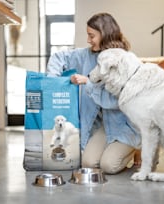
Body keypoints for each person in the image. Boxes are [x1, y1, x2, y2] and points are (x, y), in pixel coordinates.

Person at [46, 12, 141, 174]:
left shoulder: (124, 60)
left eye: (92, 36)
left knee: (109, 166)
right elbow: (58, 57)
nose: (89, 40)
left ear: (105, 35)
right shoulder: (86, 55)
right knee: (89, 163)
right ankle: (114, 149)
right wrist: (53, 82)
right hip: (103, 126)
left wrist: (87, 82)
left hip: (125, 124)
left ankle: (138, 147)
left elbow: (115, 100)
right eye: (88, 35)